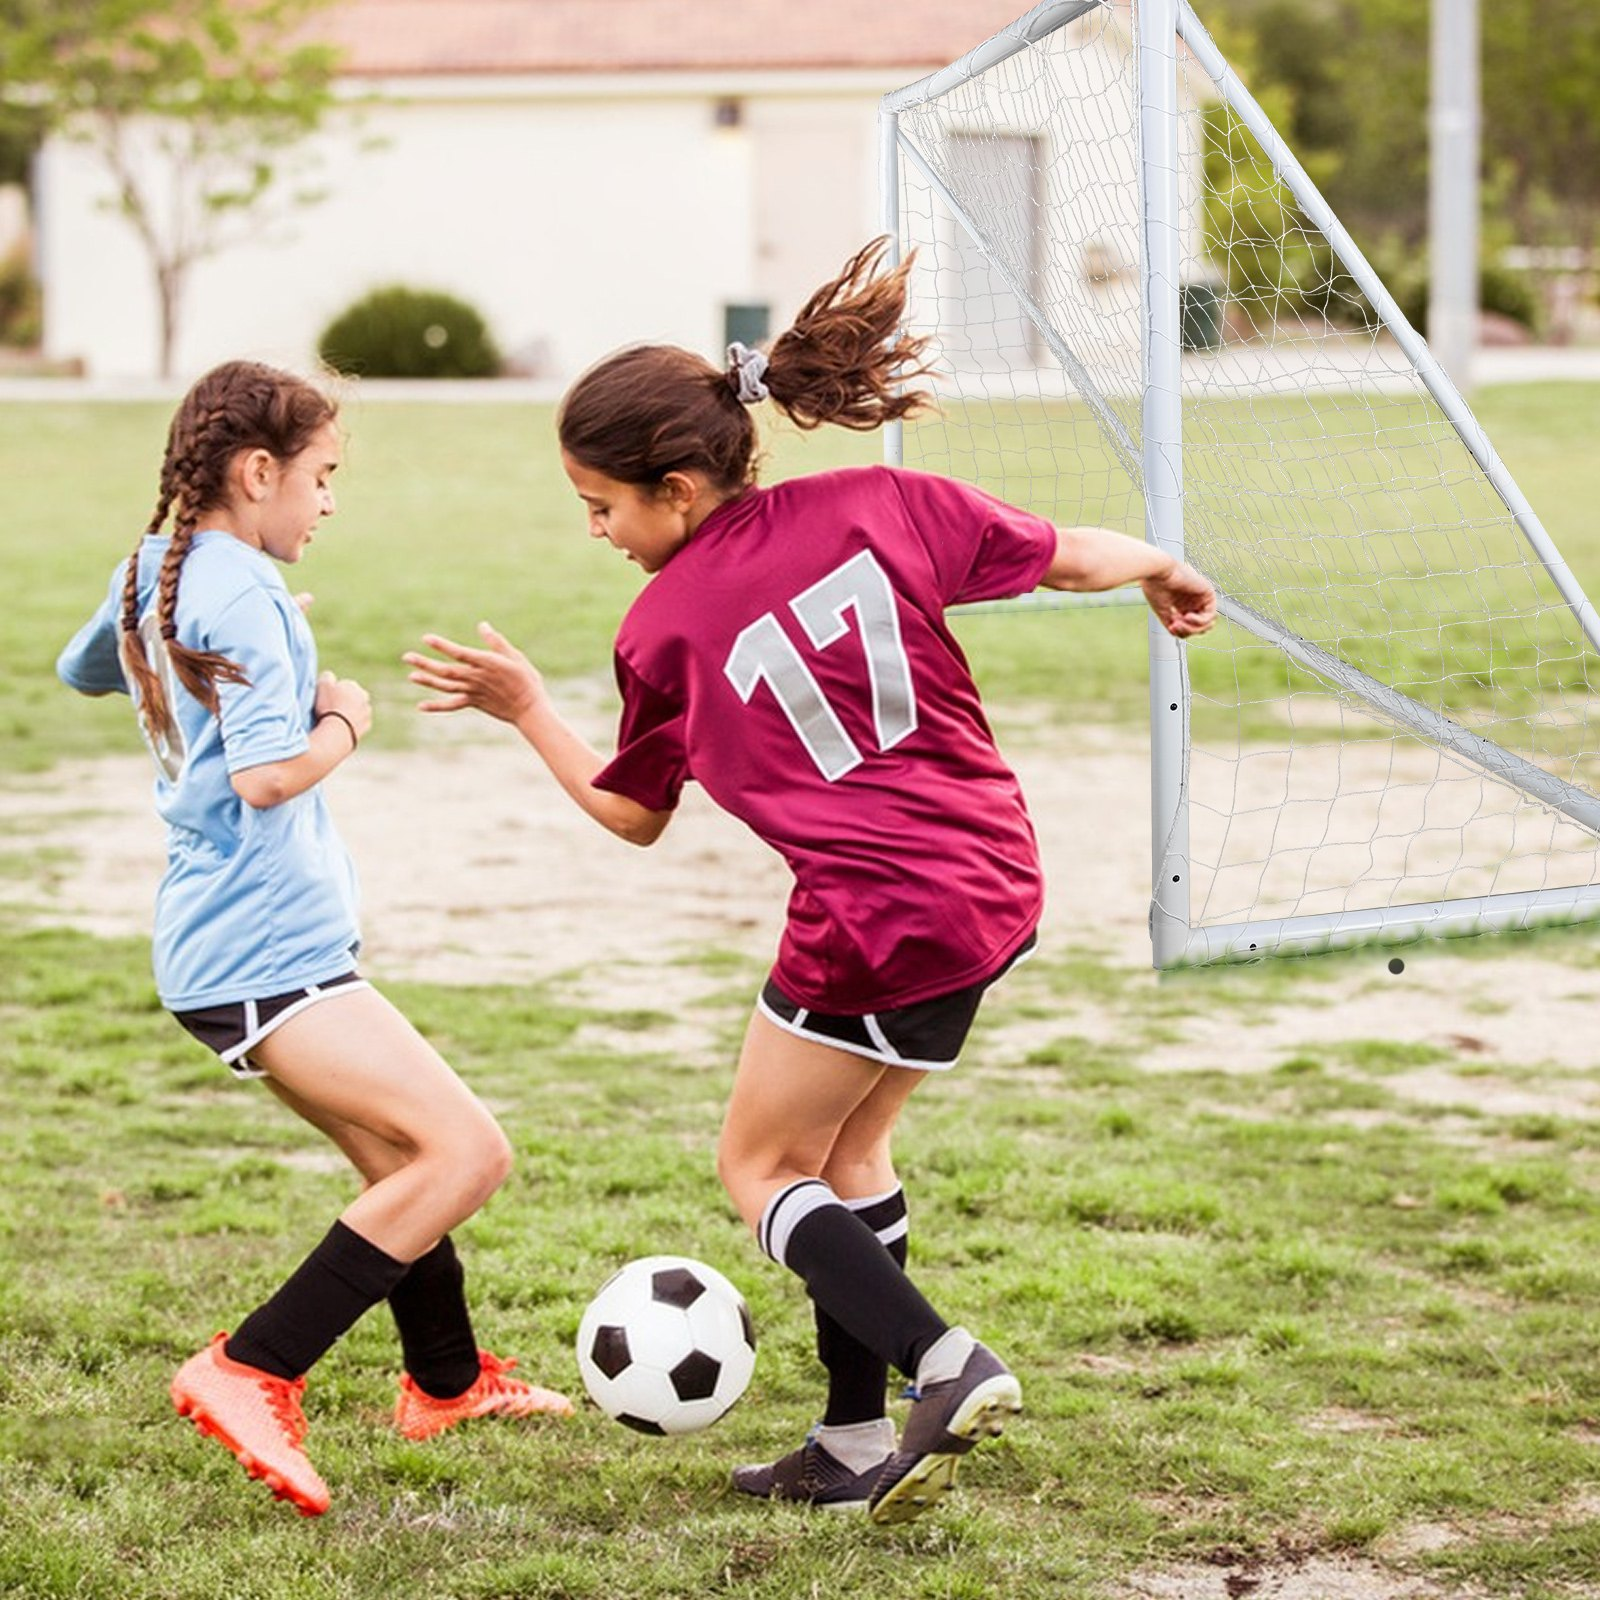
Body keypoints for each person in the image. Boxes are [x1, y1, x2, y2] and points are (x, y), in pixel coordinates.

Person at [405, 240, 1217, 1525]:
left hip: (874, 920)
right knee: (851, 1148)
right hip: (995, 882)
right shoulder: (881, 504)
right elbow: (1066, 553)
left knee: (758, 1159)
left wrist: (524, 710)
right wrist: (1163, 565)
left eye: (601, 506)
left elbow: (629, 815)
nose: (597, 532)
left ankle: (943, 1364)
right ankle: (847, 1442)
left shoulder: (660, 627)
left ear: (676, 487)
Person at [57, 360, 572, 1519]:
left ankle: (445, 1382)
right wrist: (342, 719)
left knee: (403, 1164)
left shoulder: (156, 564)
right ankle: (251, 1367)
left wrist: (154, 636)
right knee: (467, 1153)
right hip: (263, 952)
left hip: (223, 946)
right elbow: (264, 776)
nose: (329, 501)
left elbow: (79, 668)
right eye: (322, 476)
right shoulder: (239, 592)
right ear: (256, 472)